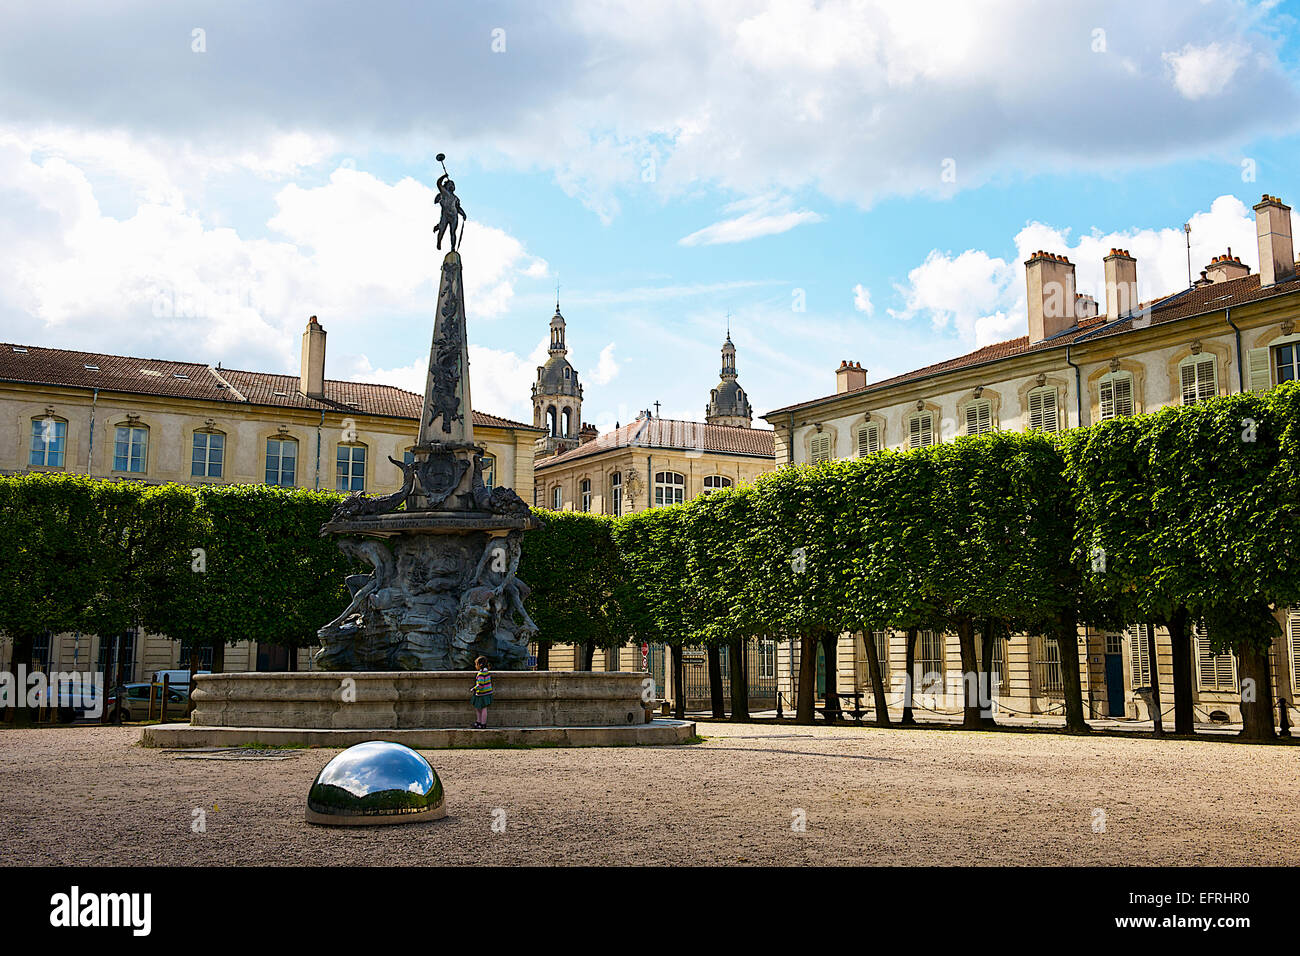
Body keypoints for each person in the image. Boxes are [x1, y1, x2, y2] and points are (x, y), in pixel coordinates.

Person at [471, 657, 493, 729]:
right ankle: (482, 723)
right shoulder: (487, 672)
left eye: (476, 664)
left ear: (479, 665)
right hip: (487, 693)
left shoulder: (480, 674)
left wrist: (474, 688)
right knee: (483, 708)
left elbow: (480, 684)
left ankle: (480, 722)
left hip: (481, 694)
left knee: (479, 708)